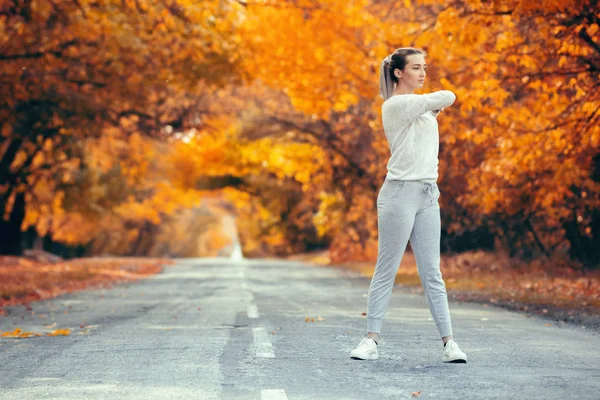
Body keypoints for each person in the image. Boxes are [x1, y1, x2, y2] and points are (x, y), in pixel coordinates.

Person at [350, 47, 467, 363]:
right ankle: (370, 341)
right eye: (416, 67)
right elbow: (448, 96)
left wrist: (429, 110)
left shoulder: (419, 108)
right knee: (387, 268)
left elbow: (436, 105)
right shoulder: (395, 105)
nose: (423, 72)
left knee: (432, 272)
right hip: (399, 194)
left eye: (424, 67)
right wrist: (431, 106)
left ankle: (449, 344)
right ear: (398, 72)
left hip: (428, 195)